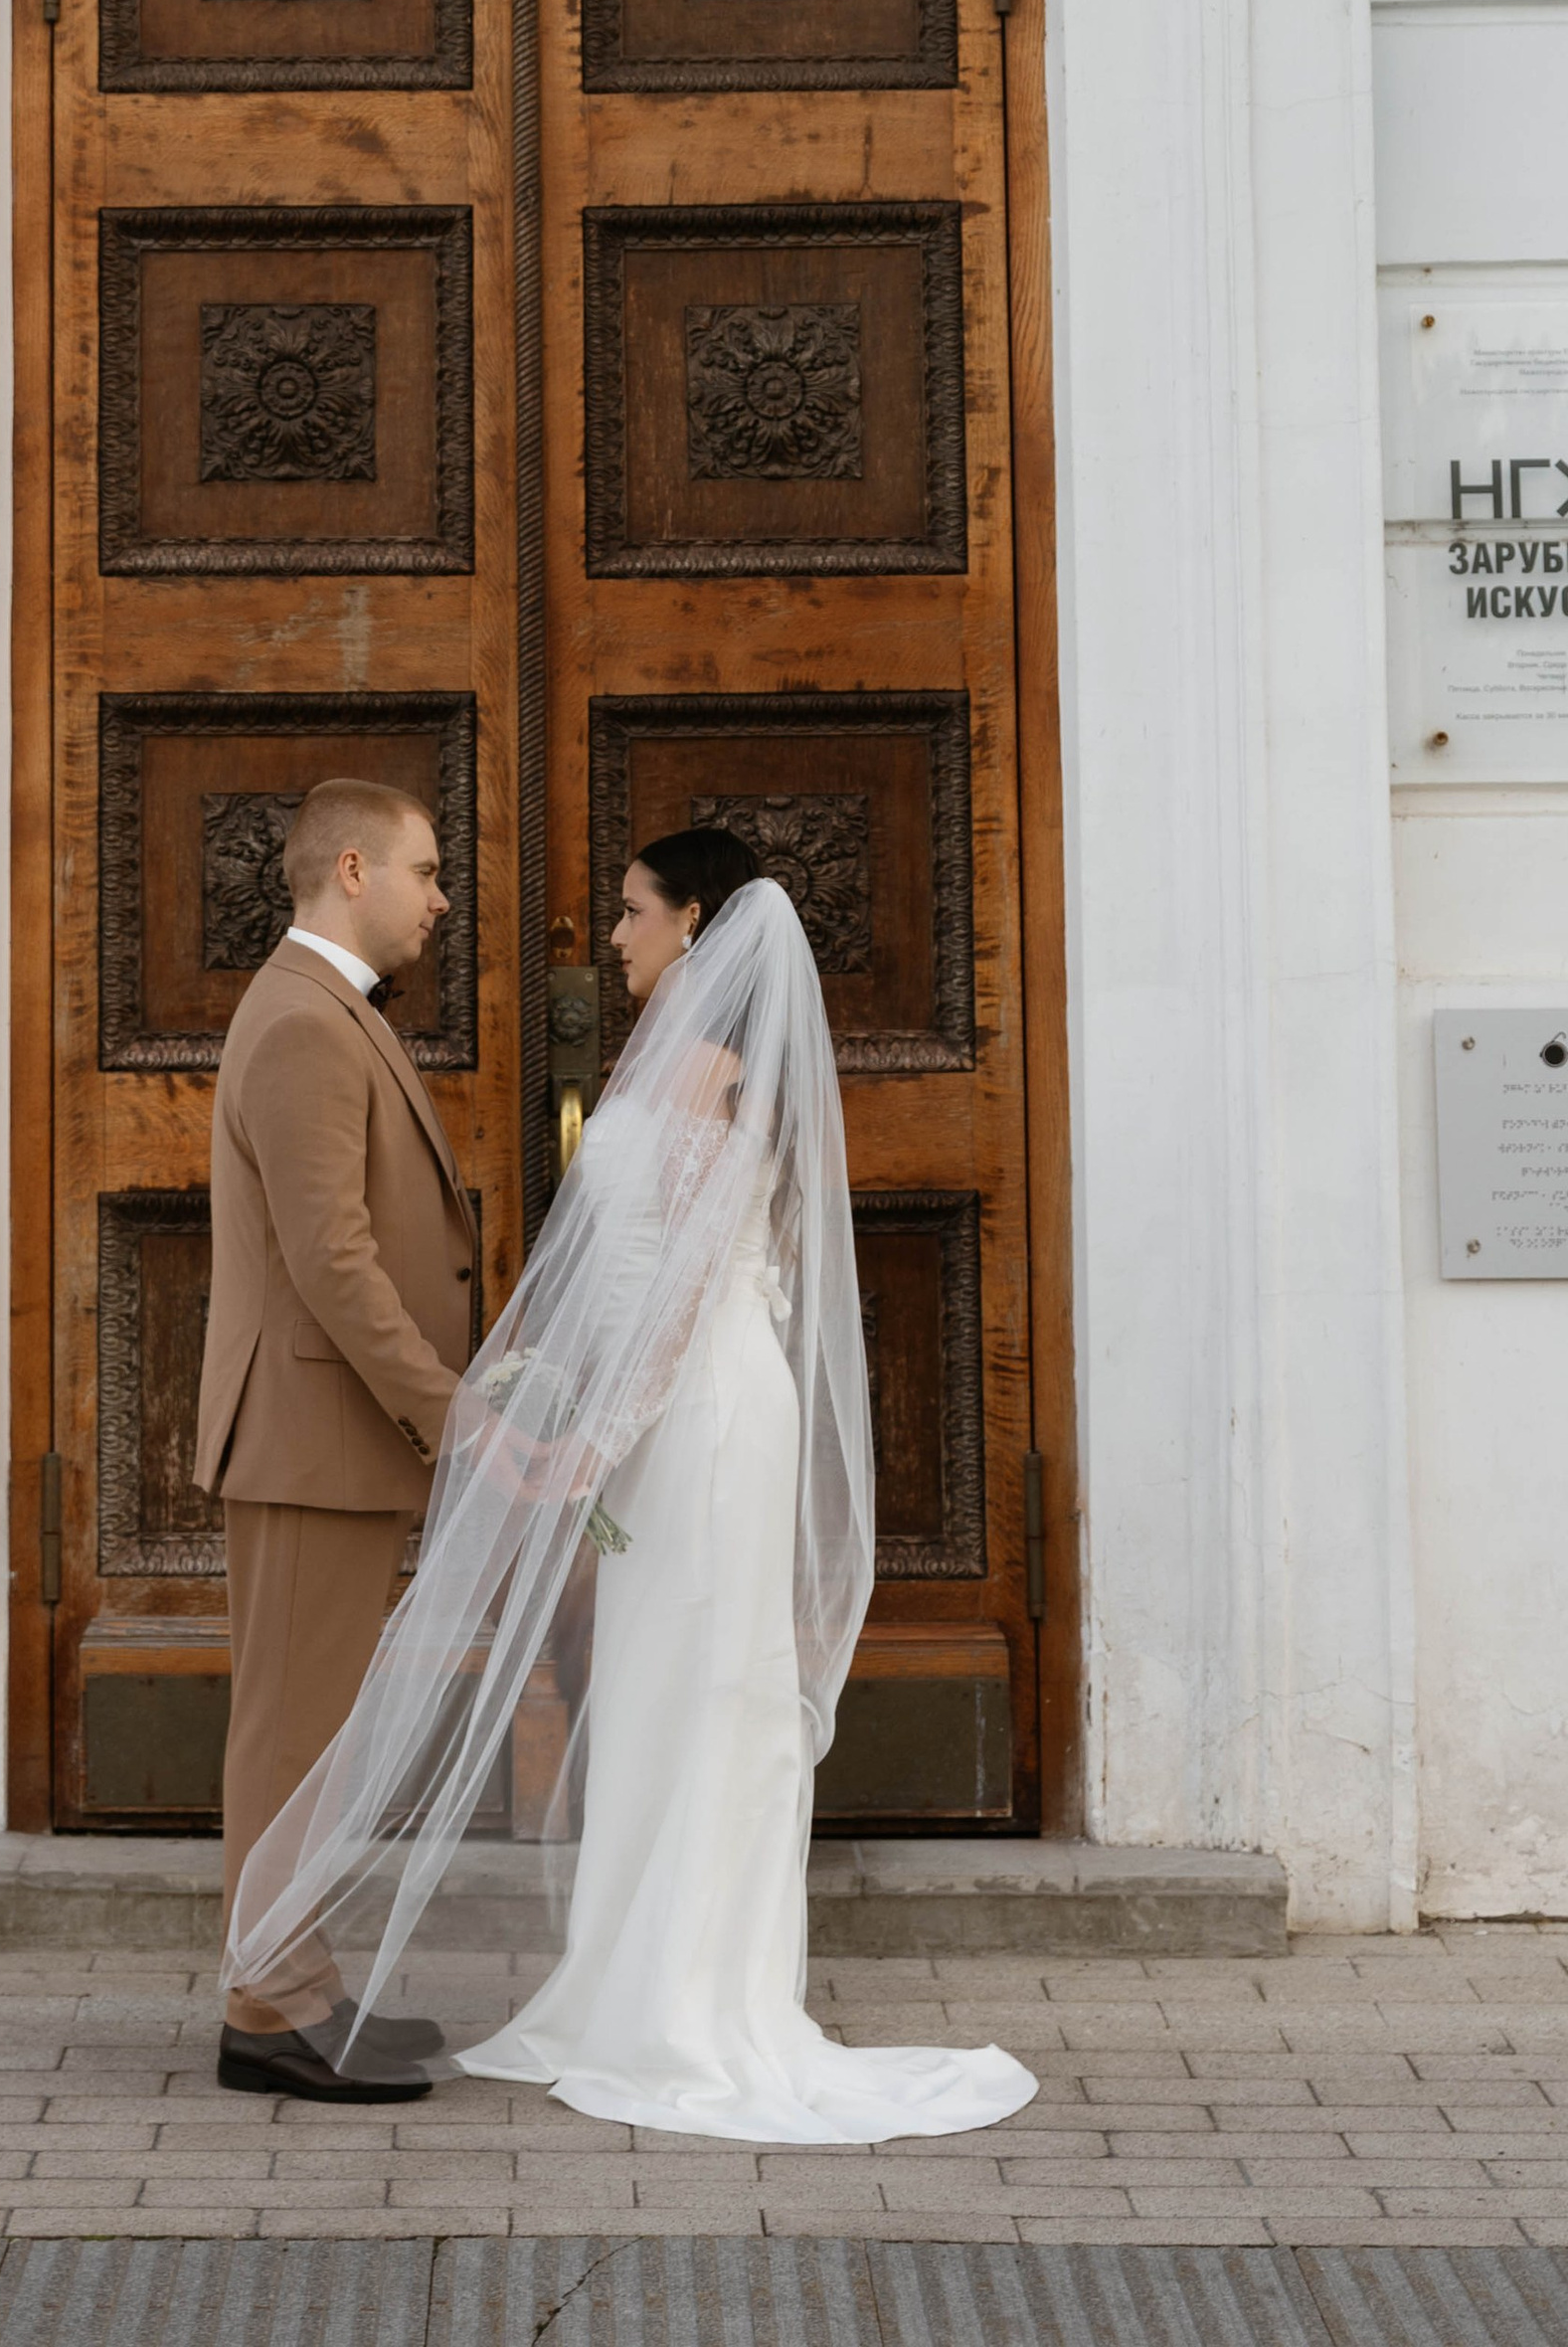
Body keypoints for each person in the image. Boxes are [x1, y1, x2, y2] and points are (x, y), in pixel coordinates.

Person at [224, 828, 1039, 2147]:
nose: (612, 936)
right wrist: (565, 1393)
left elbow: (688, 1289)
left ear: (693, 921)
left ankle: (689, 2008)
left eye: (631, 909)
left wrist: (585, 1444)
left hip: (702, 1415)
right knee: (665, 1688)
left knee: (703, 1690)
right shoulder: (683, 1061)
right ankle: (631, 1990)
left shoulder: (707, 1073)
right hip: (676, 1411)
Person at [192, 777, 475, 2106]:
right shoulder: (306, 1020)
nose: (441, 898)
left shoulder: (326, 1008)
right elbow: (331, 1259)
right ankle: (267, 2011)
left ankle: (297, 1982)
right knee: (293, 1734)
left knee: (315, 1734)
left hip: (330, 1440)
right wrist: (451, 1410)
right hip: (312, 1435)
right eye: (426, 870)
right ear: (352, 869)